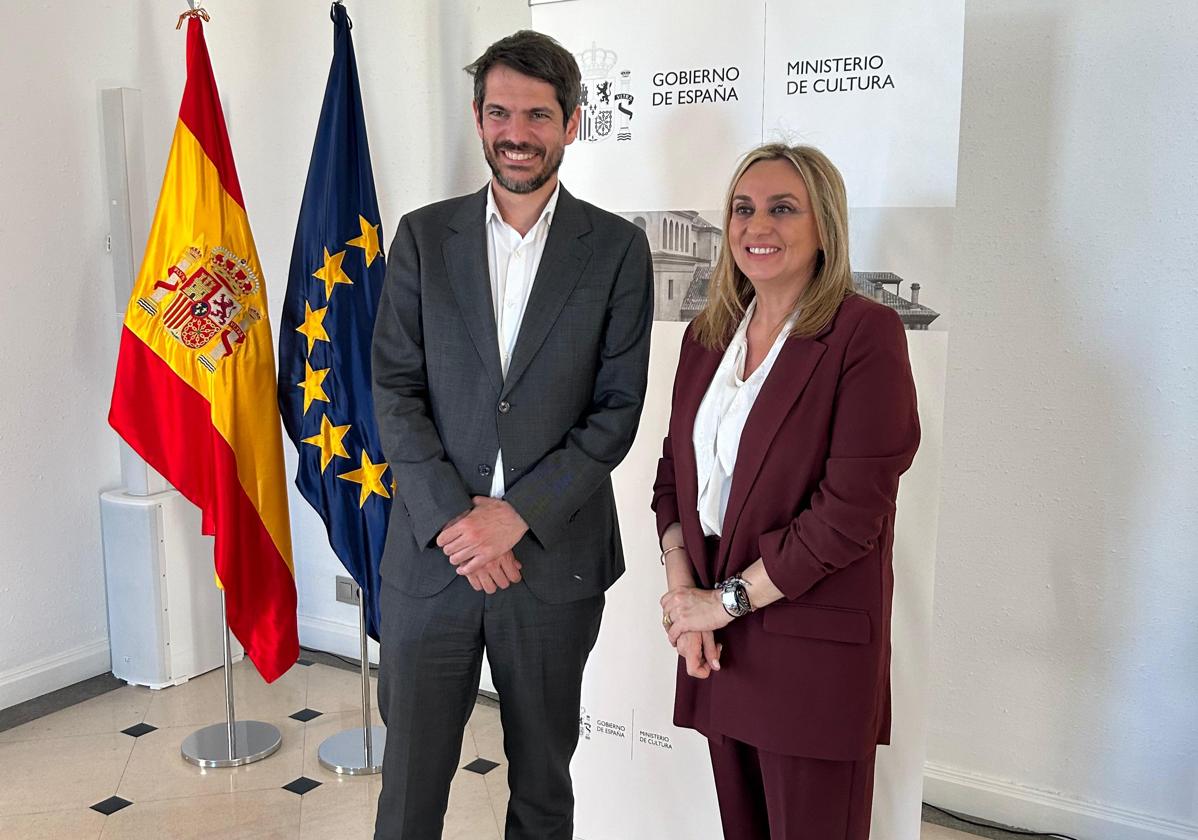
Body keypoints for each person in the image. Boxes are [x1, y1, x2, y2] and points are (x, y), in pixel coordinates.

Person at [370, 29, 653, 840]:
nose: (516, 132)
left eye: (536, 114)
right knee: (410, 792)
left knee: (542, 785)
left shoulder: (618, 250)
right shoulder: (424, 239)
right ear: (477, 116)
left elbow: (617, 409)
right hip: (432, 557)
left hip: (553, 562)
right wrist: (459, 524)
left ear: (570, 123)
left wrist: (515, 514)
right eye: (500, 112)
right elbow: (393, 388)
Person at [651, 143, 920, 839]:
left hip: (809, 652)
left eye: (782, 208)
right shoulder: (707, 338)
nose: (756, 226)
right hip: (720, 646)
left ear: (824, 226)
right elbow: (672, 479)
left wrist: (723, 602)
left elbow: (849, 515)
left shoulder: (866, 334)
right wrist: (686, 604)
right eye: (743, 209)